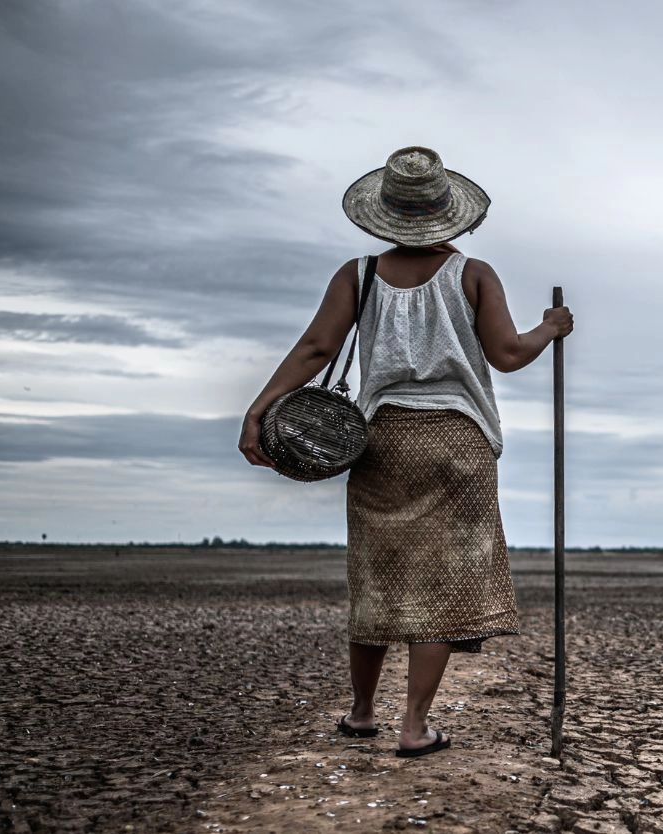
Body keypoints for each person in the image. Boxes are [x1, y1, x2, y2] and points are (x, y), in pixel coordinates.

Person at [238, 146, 573, 758]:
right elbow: (507, 354)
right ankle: (414, 727)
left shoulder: (358, 275)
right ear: (452, 216)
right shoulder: (473, 274)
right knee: (441, 586)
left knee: (376, 577)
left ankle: (362, 713)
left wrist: (260, 408)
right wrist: (549, 329)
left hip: (381, 440)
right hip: (458, 441)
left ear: (384, 215)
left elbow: (316, 348)